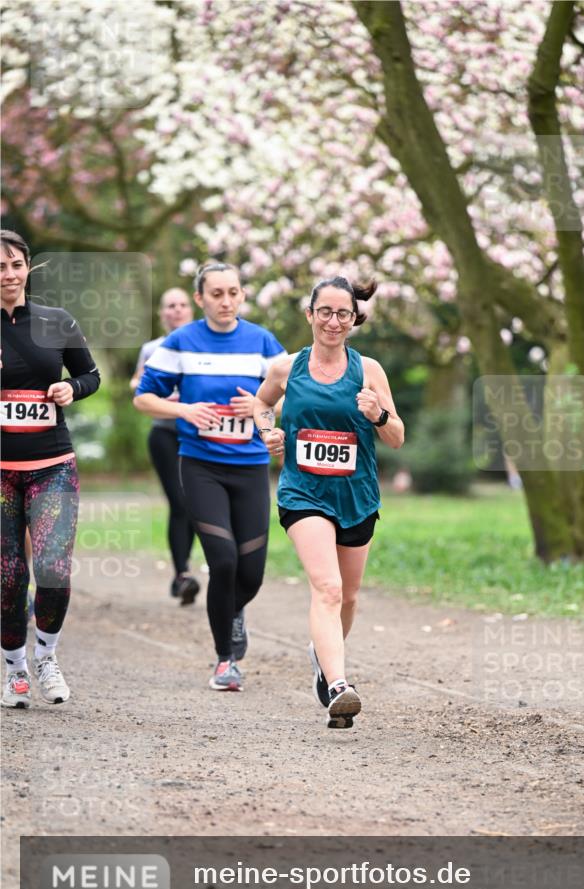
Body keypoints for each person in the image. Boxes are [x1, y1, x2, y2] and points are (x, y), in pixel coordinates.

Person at [253, 276, 404, 728]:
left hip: (356, 495)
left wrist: (376, 413)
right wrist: (268, 434)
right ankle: (339, 686)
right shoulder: (287, 368)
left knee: (349, 597)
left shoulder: (369, 371)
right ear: (310, 315)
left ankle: (323, 656)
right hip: (303, 493)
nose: (333, 321)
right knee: (329, 588)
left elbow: (396, 436)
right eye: (325, 312)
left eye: (343, 313)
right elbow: (262, 405)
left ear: (354, 319)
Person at [134, 262, 286, 691]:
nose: (226, 301)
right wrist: (184, 409)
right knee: (223, 561)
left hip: (251, 466)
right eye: (216, 293)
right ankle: (225, 661)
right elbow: (143, 398)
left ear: (241, 296)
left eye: (233, 292)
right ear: (200, 299)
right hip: (200, 465)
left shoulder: (262, 342)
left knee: (251, 573)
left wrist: (260, 406)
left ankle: (233, 612)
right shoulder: (181, 341)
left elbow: (291, 391)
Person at [1, 229, 101, 709]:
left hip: (52, 465)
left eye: (15, 264)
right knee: (7, 576)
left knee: (54, 569)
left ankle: (46, 657)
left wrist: (71, 390)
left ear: (27, 269)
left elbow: (91, 374)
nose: (8, 273)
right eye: (0, 266)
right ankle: (14, 668)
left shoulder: (56, 320)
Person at [130, 287, 200, 604]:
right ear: (162, 314)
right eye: (170, 305)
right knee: (180, 501)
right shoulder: (152, 348)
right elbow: (137, 382)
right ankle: (182, 573)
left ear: (192, 309)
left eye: (182, 304)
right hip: (164, 434)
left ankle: (183, 575)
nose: (176, 310)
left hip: (199, 433)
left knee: (198, 504)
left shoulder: (203, 346)